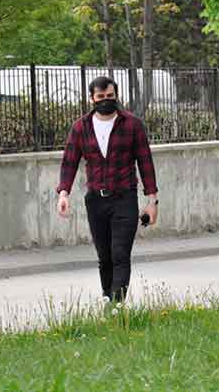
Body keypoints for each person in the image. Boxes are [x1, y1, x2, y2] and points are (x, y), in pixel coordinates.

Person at [56, 76, 159, 302]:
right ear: (92, 98)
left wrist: (152, 202)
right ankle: (107, 297)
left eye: (110, 97)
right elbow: (69, 162)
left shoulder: (132, 125)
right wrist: (64, 193)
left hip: (125, 198)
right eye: (100, 97)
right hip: (96, 201)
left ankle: (117, 304)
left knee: (120, 253)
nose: (106, 101)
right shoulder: (80, 128)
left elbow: (145, 162)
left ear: (116, 95)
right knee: (105, 256)